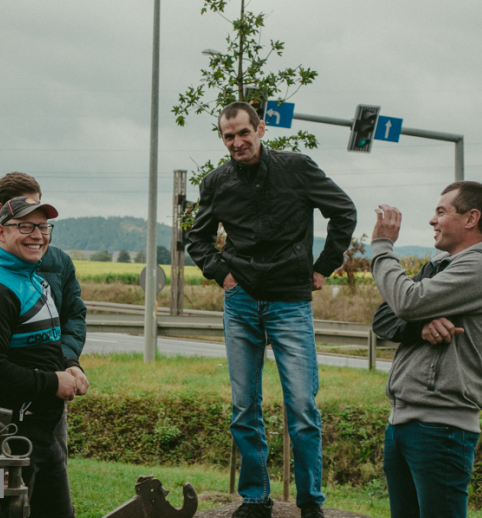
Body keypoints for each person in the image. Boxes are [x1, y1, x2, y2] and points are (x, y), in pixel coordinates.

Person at [187, 102, 357, 518]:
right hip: (241, 301)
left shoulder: (297, 168)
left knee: (302, 406)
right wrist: (220, 273)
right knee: (244, 407)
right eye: (229, 137)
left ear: (260, 128)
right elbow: (198, 237)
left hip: (290, 302)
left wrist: (322, 267)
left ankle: (310, 501)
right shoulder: (216, 182)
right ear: (222, 139)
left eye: (244, 133)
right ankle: (256, 497)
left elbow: (344, 211)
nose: (238, 142)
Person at [369, 181, 482, 518]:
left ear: (471, 218)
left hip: (441, 427)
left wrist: (382, 246)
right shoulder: (440, 265)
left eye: (441, 211)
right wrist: (419, 323)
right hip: (404, 422)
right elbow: (385, 315)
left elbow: (405, 299)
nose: (433, 220)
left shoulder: (478, 266)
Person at [0, 196, 87, 518]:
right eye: (25, 226)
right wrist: (52, 383)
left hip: (42, 436)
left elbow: (45, 345)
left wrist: (69, 365)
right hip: (10, 437)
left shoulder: (36, 281)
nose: (37, 235)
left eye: (43, 226)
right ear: (1, 232)